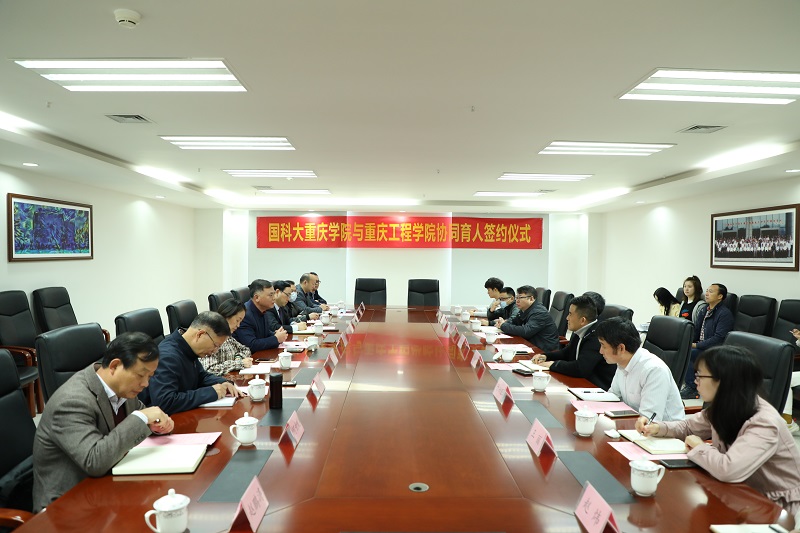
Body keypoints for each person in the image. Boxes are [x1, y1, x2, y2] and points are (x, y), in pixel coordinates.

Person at [637, 345, 800, 516]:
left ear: (723, 381)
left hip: (771, 504)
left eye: (700, 376)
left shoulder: (764, 422)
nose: (695, 381)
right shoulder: (726, 405)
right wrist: (657, 427)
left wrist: (699, 446)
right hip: (736, 489)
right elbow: (688, 427)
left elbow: (728, 470)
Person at [33, 333, 174, 511]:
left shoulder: (123, 388)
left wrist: (158, 424)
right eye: (141, 375)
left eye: (150, 376)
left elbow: (141, 419)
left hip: (109, 483)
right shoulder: (71, 401)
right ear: (114, 366)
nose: (146, 383)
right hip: (68, 505)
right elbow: (94, 461)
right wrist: (142, 418)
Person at [140, 311, 243, 414]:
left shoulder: (188, 348)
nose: (215, 351)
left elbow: (201, 376)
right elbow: (165, 402)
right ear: (200, 334)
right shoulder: (167, 357)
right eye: (215, 345)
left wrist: (223, 382)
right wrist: (210, 392)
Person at [596, 317, 684, 421]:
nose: (600, 351)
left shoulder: (654, 370)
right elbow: (614, 396)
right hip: (632, 421)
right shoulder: (622, 362)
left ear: (621, 348)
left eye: (603, 346)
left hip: (663, 429)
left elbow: (649, 420)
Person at [532, 294, 615, 389]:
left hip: (596, 387)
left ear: (582, 320)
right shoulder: (581, 330)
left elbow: (581, 368)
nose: (567, 318)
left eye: (570, 314)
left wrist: (553, 365)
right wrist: (546, 356)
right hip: (582, 383)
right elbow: (567, 352)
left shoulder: (596, 336)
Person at [681, 283, 734, 399]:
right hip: (702, 345)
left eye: (711, 291)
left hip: (715, 349)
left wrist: (696, 345)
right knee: (682, 349)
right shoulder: (704, 309)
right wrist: (686, 341)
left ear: (720, 296)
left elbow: (718, 339)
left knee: (689, 353)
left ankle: (692, 388)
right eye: (707, 291)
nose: (707, 294)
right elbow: (696, 330)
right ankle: (683, 382)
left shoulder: (724, 314)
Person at [495, 285, 559, 352]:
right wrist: (504, 323)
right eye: (516, 298)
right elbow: (515, 322)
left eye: (520, 298)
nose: (517, 301)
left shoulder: (539, 312)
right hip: (530, 345)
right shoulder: (525, 309)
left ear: (531, 299)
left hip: (543, 350)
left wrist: (503, 325)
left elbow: (526, 331)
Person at [198, 299, 253, 375]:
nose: (238, 325)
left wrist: (238, 358)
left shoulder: (228, 337)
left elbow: (245, 350)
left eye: (240, 322)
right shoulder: (211, 337)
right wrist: (239, 363)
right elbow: (210, 369)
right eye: (237, 320)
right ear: (226, 316)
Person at [233, 279, 289, 352]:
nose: (274, 298)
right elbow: (250, 345)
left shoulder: (263, 309)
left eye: (274, 294)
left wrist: (277, 334)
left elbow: (265, 334)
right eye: (271, 295)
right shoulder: (245, 315)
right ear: (257, 298)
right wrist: (276, 339)